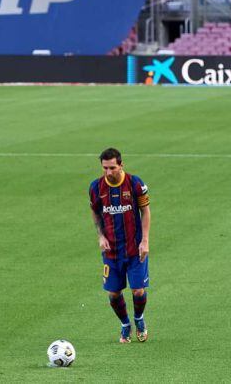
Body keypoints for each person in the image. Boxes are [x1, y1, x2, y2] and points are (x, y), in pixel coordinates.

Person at [89, 147, 151, 343]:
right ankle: (125, 324)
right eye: (105, 168)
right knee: (113, 293)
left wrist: (145, 240)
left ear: (121, 165)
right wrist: (100, 236)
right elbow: (96, 212)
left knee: (138, 291)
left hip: (134, 248)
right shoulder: (96, 188)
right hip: (112, 251)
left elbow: (146, 211)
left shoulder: (135, 183)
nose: (108, 172)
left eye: (112, 167)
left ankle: (139, 319)